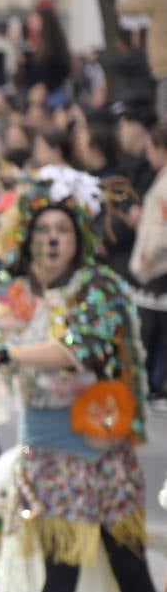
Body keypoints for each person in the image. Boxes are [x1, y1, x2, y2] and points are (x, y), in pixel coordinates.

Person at [0, 167, 159, 592]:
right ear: (27, 237)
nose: (53, 239)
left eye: (64, 231)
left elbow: (83, 348)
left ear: (80, 239)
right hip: (47, 454)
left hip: (103, 449)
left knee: (131, 568)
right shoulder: (9, 297)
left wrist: (8, 356)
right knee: (60, 568)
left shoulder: (100, 289)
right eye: (44, 229)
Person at [129, 119, 167, 411]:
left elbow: (163, 227)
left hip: (159, 267)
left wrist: (149, 255)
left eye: (150, 149)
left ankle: (157, 387)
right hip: (155, 265)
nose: (147, 156)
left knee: (156, 331)